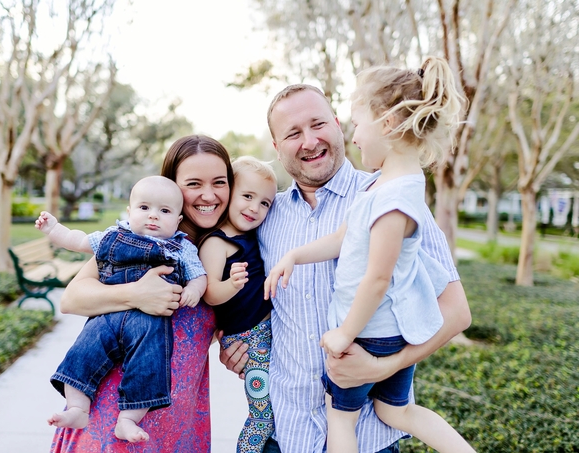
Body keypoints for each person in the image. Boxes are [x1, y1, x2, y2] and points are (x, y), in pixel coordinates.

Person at [219, 82, 472, 452]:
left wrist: (382, 368)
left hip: (369, 438)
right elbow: (242, 294)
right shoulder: (263, 215)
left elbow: (457, 313)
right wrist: (235, 343)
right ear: (276, 147)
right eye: (293, 133)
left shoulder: (389, 197)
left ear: (338, 125)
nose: (309, 141)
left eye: (318, 124)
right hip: (284, 434)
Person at [50, 135, 232, 452]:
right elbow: (72, 299)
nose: (208, 194)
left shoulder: (228, 250)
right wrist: (136, 294)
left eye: (219, 182)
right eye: (193, 183)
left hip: (179, 421)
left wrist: (236, 343)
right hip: (110, 416)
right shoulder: (142, 243)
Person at [35, 176, 207, 442]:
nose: (153, 216)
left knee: (149, 364)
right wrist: (54, 229)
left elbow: (198, 275)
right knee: (84, 350)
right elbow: (78, 240)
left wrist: (194, 289)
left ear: (178, 220)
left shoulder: (181, 247)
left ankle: (127, 419)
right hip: (107, 316)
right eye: (144, 208)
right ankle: (78, 408)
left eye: (164, 211)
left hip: (149, 323)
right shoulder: (114, 236)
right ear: (129, 212)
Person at [198, 156, 278, 453]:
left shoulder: (254, 236)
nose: (254, 208)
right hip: (247, 337)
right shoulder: (216, 243)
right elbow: (209, 293)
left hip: (268, 329)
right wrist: (231, 285)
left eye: (265, 203)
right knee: (262, 413)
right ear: (229, 193)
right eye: (247, 196)